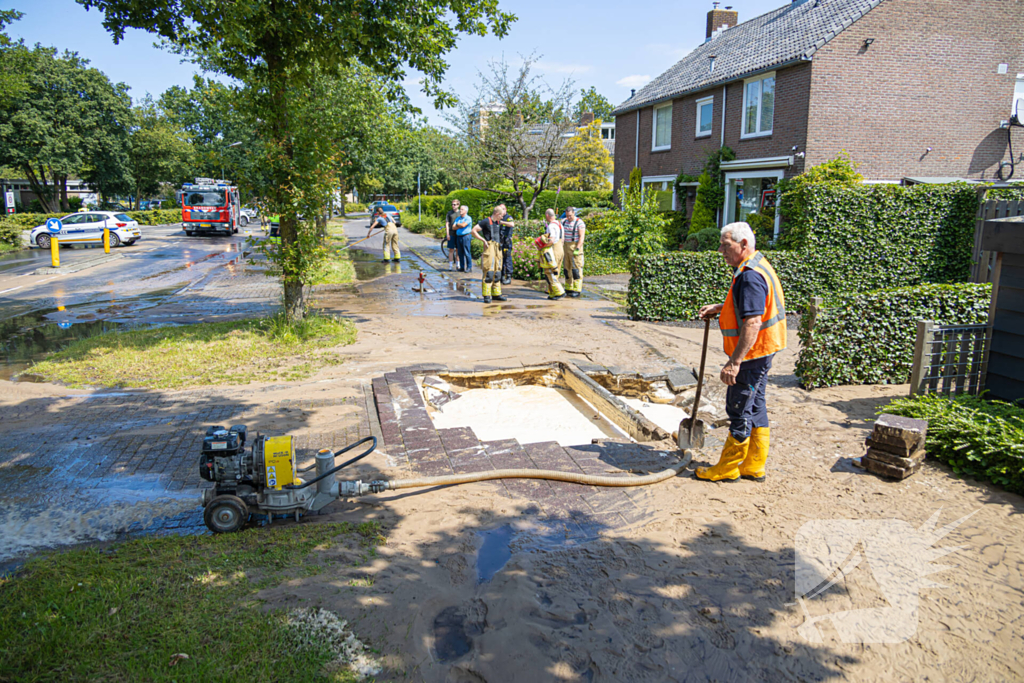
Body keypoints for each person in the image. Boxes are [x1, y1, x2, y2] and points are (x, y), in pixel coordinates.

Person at [695, 222, 787, 483]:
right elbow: (749, 305)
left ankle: (728, 468)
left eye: (726, 245)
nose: (720, 250)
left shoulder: (749, 275)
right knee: (756, 405)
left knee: (738, 408)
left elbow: (753, 321)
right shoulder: (757, 265)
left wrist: (735, 362)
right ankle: (753, 464)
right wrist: (720, 307)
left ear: (743, 244)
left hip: (752, 353)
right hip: (764, 350)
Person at [471, 204, 509, 303]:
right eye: (501, 215)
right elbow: (473, 231)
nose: (502, 218)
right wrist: (483, 240)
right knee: (489, 272)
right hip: (489, 248)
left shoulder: (498, 222)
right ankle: (487, 295)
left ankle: (496, 294)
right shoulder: (486, 221)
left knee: (498, 272)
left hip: (498, 248)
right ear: (497, 214)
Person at [536, 208, 565, 300]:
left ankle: (559, 292)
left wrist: (542, 247)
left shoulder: (551, 226)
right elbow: (563, 239)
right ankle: (552, 293)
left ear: (547, 216)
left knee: (550, 272)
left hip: (553, 250)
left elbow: (551, 240)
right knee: (556, 271)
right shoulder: (559, 224)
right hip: (560, 248)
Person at [561, 207, 586, 297]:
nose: (569, 217)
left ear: (574, 213)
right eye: (567, 216)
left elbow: (581, 237)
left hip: (575, 246)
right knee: (567, 268)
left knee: (576, 269)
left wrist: (578, 248)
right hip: (566, 247)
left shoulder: (579, 223)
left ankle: (577, 289)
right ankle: (569, 287)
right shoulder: (563, 221)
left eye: (570, 216)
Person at [453, 205, 473, 272]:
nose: (460, 211)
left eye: (462, 209)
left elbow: (463, 225)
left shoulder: (468, 218)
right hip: (459, 237)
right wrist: (460, 225)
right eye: (460, 209)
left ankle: (469, 267)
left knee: (467, 252)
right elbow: (453, 227)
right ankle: (462, 267)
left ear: (466, 211)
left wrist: (458, 225)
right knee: (460, 252)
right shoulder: (458, 218)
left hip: (466, 236)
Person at [498, 209, 515, 285]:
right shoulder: (499, 217)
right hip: (500, 241)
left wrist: (501, 222)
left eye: (502, 209)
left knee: (507, 259)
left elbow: (512, 224)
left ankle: (508, 277)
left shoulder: (508, 217)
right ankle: (501, 276)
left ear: (505, 210)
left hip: (507, 242)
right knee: (500, 259)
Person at [445, 199, 461, 271]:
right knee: (451, 250)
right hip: (451, 233)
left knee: (458, 250)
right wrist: (447, 234)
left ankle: (458, 265)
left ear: (458, 205)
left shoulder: (460, 213)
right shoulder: (449, 213)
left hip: (458, 234)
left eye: (454, 204)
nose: (453, 206)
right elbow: (447, 224)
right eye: (452, 204)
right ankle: (450, 265)